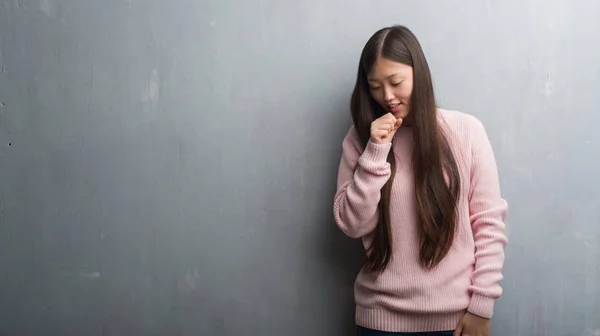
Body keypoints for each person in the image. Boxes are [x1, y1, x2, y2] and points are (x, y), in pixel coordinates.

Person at [332, 25, 508, 336]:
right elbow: (351, 224)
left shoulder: (466, 131)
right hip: (379, 321)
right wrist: (375, 151)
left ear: (419, 73)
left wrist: (482, 307)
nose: (387, 96)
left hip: (456, 322)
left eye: (396, 82)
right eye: (375, 86)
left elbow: (489, 225)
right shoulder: (361, 139)